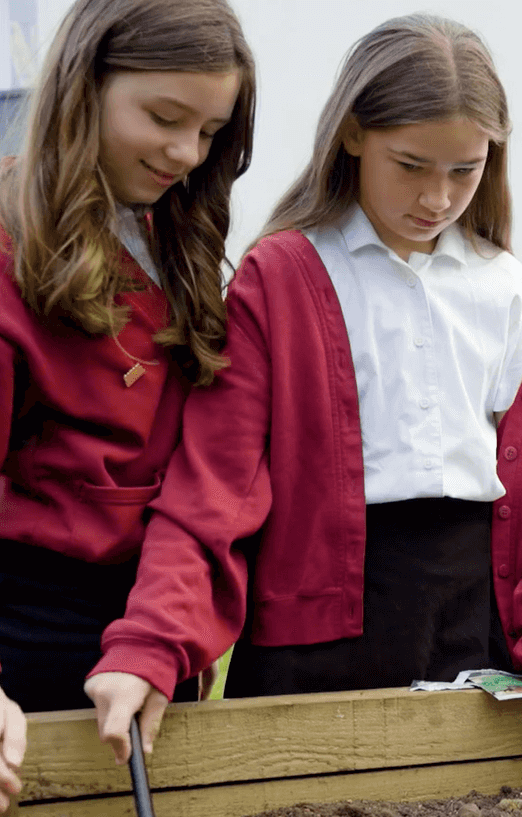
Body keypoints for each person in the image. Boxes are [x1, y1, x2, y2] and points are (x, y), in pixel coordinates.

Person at [88, 14, 522, 763]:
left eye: (464, 171)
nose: (437, 197)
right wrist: (154, 643)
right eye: (411, 165)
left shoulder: (505, 286)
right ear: (354, 134)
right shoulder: (280, 275)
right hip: (315, 648)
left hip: (477, 626)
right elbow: (214, 487)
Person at [0, 0, 254, 764]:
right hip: (23, 636)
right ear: (85, 86)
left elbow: (210, 483)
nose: (185, 153)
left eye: (210, 133)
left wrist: (158, 634)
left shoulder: (176, 243)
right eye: (165, 117)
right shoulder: (8, 244)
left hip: (155, 636)